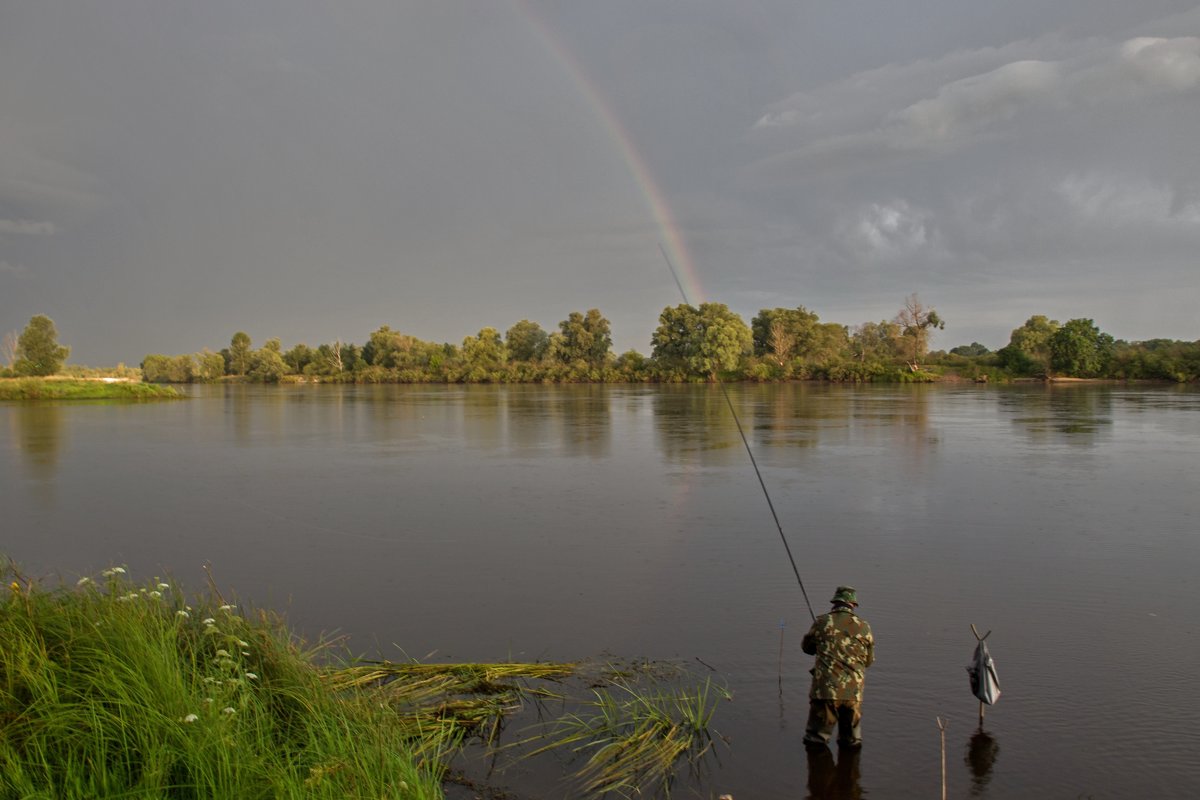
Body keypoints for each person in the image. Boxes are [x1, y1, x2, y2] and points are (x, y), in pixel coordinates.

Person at [801, 585, 874, 749]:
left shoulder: (821, 622)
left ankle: (818, 771)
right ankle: (850, 772)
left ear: (834, 602)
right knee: (852, 744)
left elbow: (807, 648)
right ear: (853, 605)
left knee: (815, 741)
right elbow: (868, 661)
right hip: (853, 694)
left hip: (826, 692)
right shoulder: (864, 627)